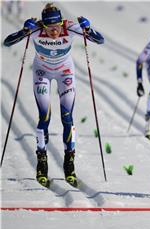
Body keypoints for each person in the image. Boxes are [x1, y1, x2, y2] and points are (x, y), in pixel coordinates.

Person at [3, 3, 104, 188]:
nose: (54, 32)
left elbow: (100, 40)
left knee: (67, 117)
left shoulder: (70, 27)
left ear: (61, 23)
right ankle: (42, 161)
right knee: (45, 116)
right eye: (50, 28)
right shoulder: (36, 30)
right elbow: (7, 42)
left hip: (65, 72)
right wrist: (24, 30)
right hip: (42, 72)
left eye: (57, 27)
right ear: (44, 25)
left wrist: (88, 28)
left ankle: (69, 163)